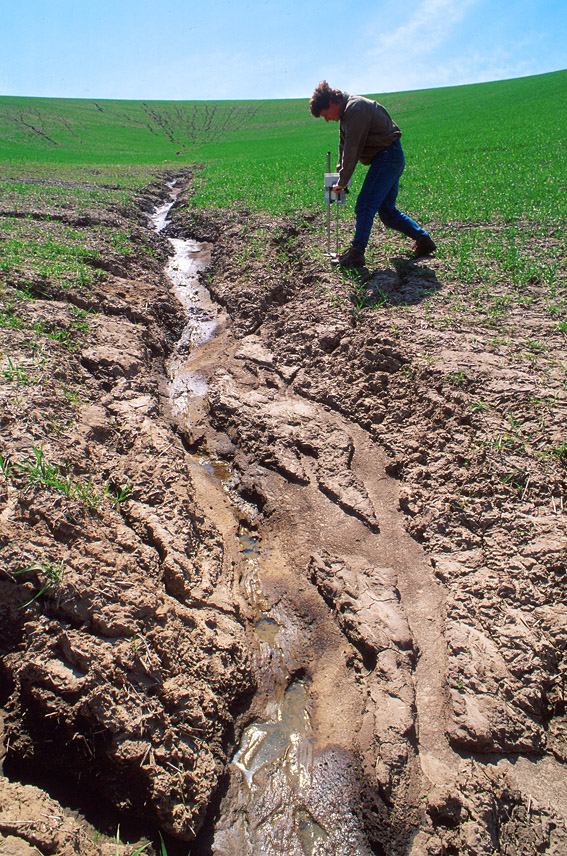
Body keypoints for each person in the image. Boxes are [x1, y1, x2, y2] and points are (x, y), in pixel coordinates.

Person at [309, 80, 436, 267]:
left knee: (365, 204)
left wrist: (343, 181)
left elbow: (352, 149)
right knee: (387, 212)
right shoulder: (346, 116)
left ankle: (357, 253)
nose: (327, 120)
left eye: (325, 115)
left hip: (388, 157)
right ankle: (424, 240)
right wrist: (337, 177)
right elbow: (343, 150)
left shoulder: (355, 109)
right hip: (387, 158)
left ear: (331, 103)